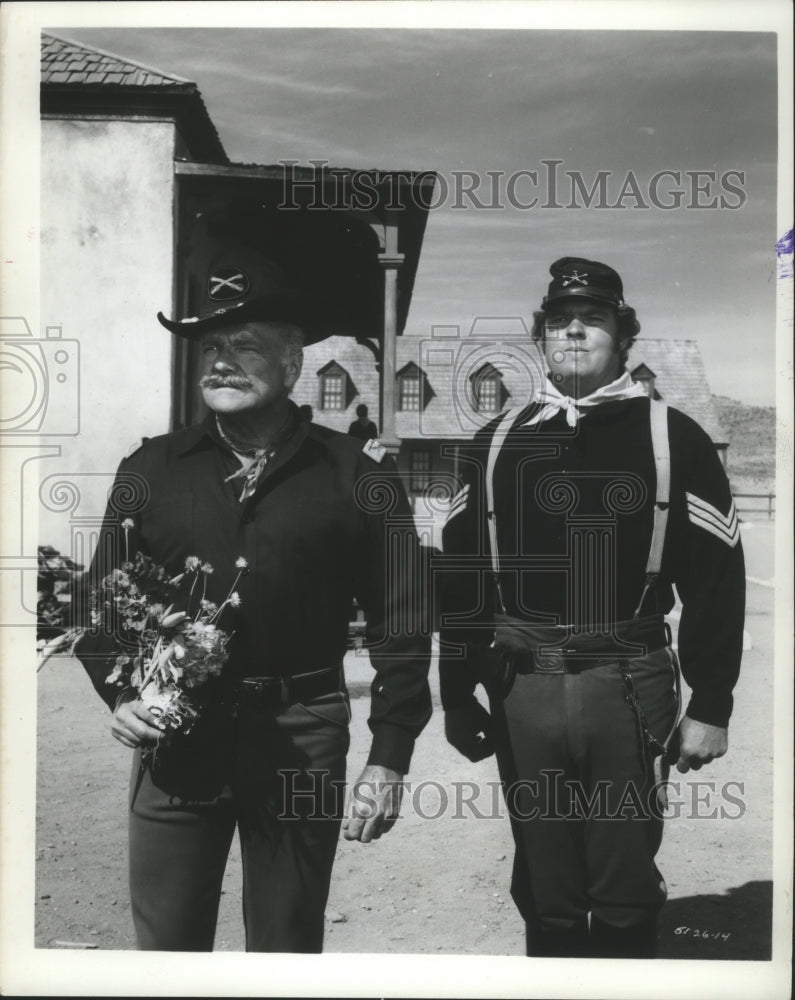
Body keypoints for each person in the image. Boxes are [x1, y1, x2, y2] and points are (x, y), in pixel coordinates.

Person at [74, 248, 431, 953]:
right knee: (167, 946)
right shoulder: (150, 468)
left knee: (286, 943)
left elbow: (402, 620)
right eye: (210, 345)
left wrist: (388, 754)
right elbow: (98, 600)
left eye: (244, 345)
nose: (220, 361)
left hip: (301, 731)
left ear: (294, 362)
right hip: (178, 738)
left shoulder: (359, 477)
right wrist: (121, 691)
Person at [439, 256, 745, 958]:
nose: (574, 332)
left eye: (594, 320)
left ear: (622, 336)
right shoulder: (495, 445)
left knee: (622, 876)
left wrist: (712, 703)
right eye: (558, 321)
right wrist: (458, 694)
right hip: (524, 686)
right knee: (544, 882)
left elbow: (717, 581)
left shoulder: (673, 438)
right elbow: (460, 583)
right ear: (540, 337)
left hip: (626, 686)